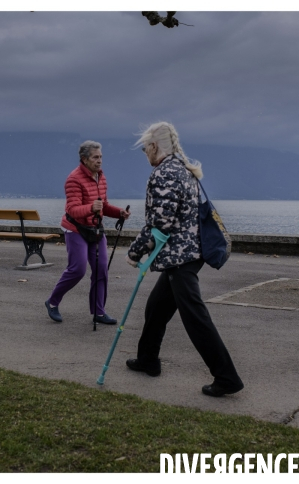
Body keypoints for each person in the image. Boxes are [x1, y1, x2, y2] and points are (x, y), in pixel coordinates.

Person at [125, 122, 243, 397]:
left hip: (180, 255)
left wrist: (135, 252)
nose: (146, 154)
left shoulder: (165, 173)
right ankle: (147, 360)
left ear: (154, 146)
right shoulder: (186, 170)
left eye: (145, 149)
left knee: (195, 317)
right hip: (188, 252)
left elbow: (160, 224)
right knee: (156, 308)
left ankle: (227, 377)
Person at [45, 140, 130, 325]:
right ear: (84, 159)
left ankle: (99, 312)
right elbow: (73, 210)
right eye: (95, 157)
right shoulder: (73, 179)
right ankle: (52, 302)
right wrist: (92, 207)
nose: (99, 161)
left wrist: (119, 213)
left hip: (95, 229)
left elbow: (104, 206)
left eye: (101, 157)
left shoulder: (101, 176)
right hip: (75, 228)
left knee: (101, 270)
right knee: (78, 269)